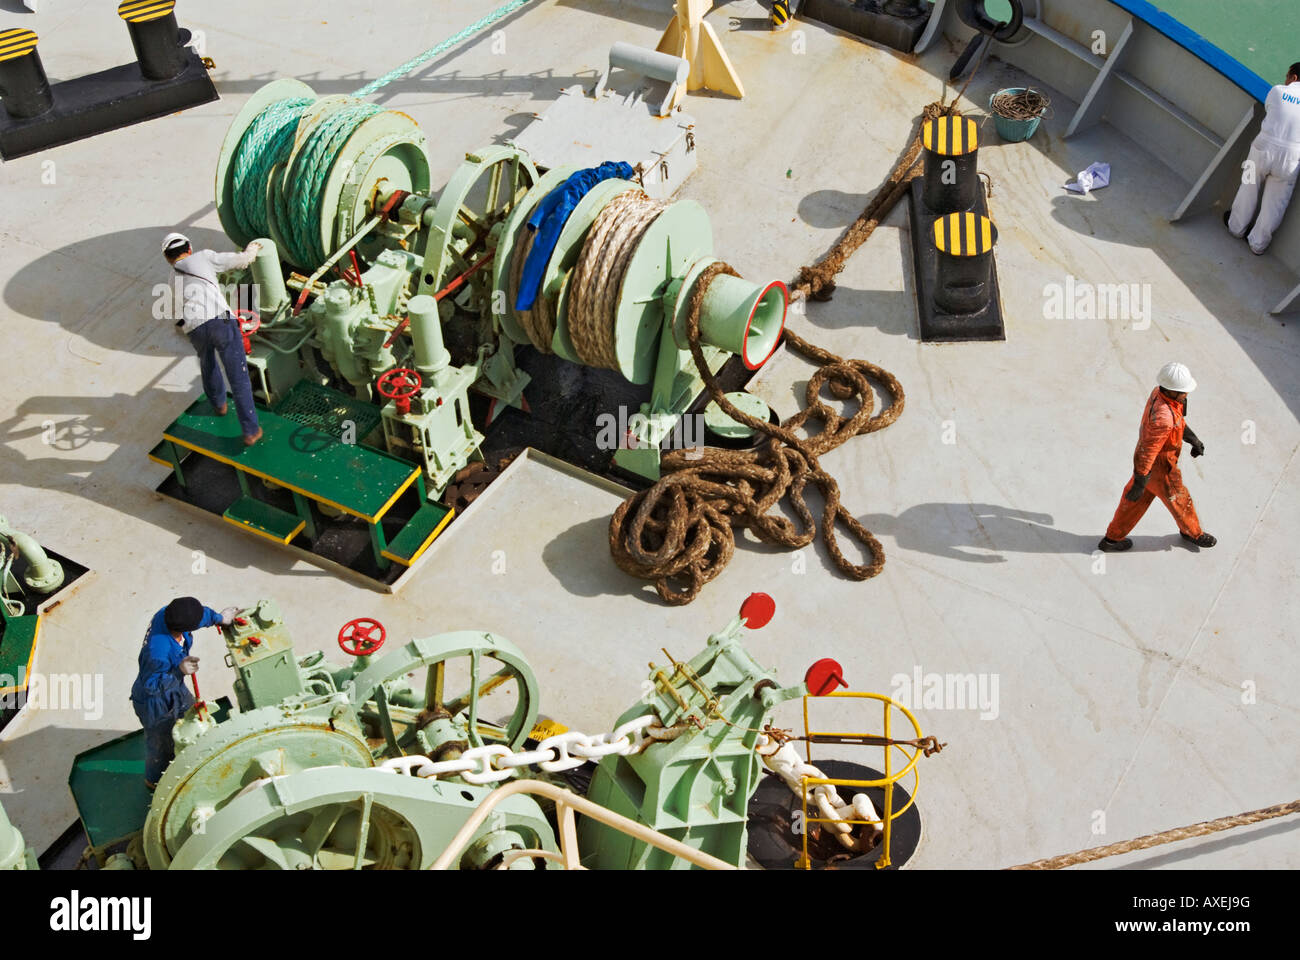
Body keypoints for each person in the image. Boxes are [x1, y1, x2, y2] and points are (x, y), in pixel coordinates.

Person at [1099, 362, 1216, 553]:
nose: (1187, 394)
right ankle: (1192, 532)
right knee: (1179, 499)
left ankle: (1112, 539)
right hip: (1161, 467)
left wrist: (1193, 439)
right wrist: (1140, 480)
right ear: (1173, 392)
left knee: (1133, 502)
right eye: (1184, 391)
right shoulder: (1163, 418)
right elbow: (1148, 450)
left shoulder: (1158, 393)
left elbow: (1178, 422)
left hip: (1147, 472)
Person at [162, 232, 264, 445]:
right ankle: (251, 430)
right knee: (238, 377)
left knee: (207, 364)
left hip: (195, 329)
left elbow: (178, 310)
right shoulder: (203, 257)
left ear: (168, 259)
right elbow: (243, 260)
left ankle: (219, 405)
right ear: (189, 248)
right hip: (220, 321)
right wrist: (253, 248)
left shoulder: (172, 278)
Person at [130, 597, 238, 789]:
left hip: (175, 688)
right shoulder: (158, 651)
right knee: (162, 747)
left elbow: (201, 614)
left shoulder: (168, 612)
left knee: (191, 716)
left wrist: (220, 618)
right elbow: (151, 686)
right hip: (155, 703)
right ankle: (154, 780)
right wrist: (178, 671)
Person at [1225, 62, 1300, 254]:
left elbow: (1271, 111)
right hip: (1291, 160)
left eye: (1287, 76)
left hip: (1262, 149)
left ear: (1294, 78)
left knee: (1248, 185)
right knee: (1276, 203)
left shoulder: (1277, 91)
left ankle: (1236, 227)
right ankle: (1258, 244)